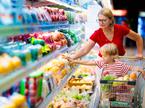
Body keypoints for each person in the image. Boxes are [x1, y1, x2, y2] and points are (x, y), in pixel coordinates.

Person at [66, 8, 143, 60]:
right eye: (99, 20)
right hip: (104, 63)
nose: (101, 23)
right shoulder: (97, 33)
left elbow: (138, 38)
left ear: (110, 20)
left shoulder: (120, 29)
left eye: (104, 20)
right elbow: (85, 49)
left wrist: (139, 53)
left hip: (120, 62)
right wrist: (73, 57)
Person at [66, 43, 145, 78]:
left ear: (112, 56)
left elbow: (131, 68)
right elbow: (89, 62)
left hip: (119, 89)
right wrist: (75, 61)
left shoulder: (120, 64)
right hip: (106, 89)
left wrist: (140, 69)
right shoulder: (102, 62)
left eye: (104, 55)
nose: (102, 57)